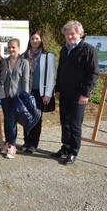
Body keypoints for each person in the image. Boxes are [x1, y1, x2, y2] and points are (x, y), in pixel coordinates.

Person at [52, 20, 99, 165]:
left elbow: (93, 73)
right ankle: (65, 148)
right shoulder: (64, 50)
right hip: (64, 93)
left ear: (79, 33)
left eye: (72, 34)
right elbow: (60, 71)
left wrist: (86, 93)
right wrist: (58, 89)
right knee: (64, 122)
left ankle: (73, 152)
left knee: (75, 124)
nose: (70, 37)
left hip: (79, 95)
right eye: (67, 34)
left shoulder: (88, 49)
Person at [22, 31, 56, 153]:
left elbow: (51, 75)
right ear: (29, 40)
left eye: (37, 38)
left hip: (39, 92)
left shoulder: (47, 56)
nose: (34, 41)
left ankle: (34, 144)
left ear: (41, 40)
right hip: (26, 91)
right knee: (26, 116)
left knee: (37, 118)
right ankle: (26, 141)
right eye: (32, 38)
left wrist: (48, 94)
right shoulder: (24, 55)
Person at [1, 38, 29, 159]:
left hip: (18, 97)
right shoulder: (4, 61)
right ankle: (8, 142)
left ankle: (13, 145)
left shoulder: (24, 62)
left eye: (14, 47)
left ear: (19, 48)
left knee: (12, 122)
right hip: (5, 96)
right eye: (10, 47)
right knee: (7, 120)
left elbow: (26, 81)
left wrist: (26, 98)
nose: (11, 49)